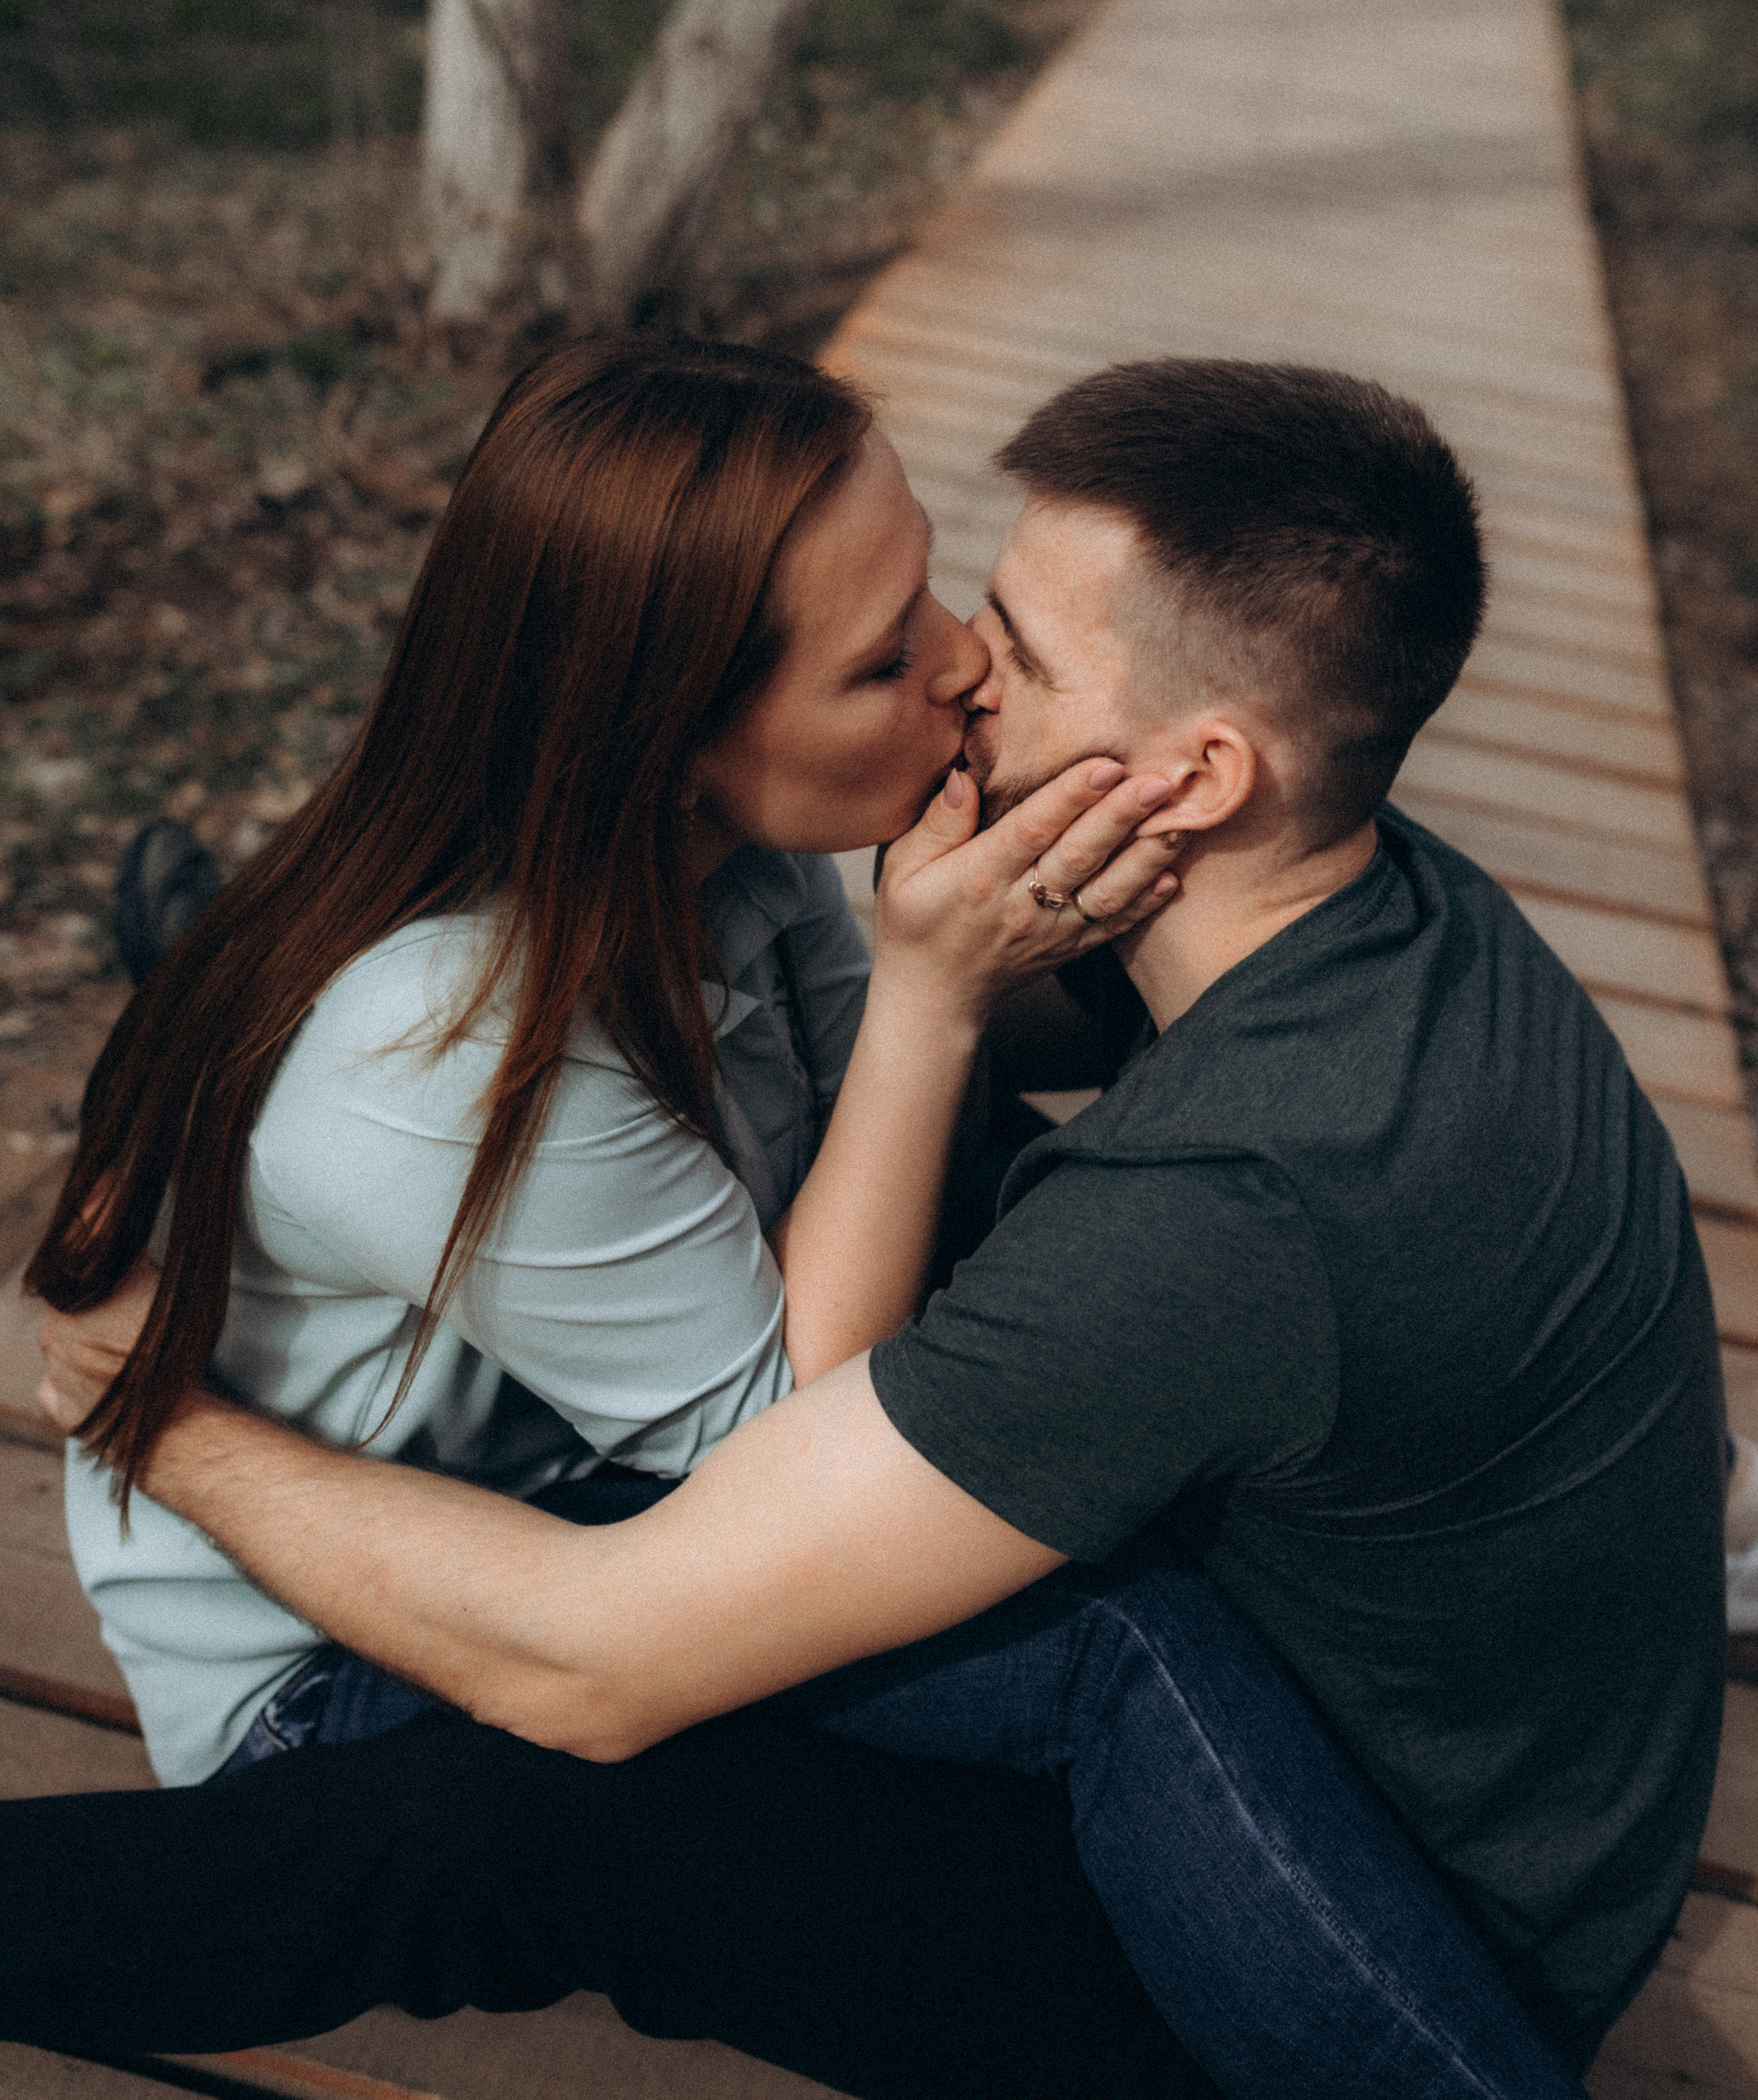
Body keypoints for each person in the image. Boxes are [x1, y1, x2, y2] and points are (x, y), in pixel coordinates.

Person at [19, 359, 1724, 2095]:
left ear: (1202, 774)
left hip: (1392, 1921)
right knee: (539, 1805)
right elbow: (653, 1583)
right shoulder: (1399, 917)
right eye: (907, 630)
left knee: (1011, 1598)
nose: (967, 664)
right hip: (426, 1592)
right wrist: (170, 1419)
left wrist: (178, 1430)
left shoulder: (1215, 1195)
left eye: (1012, 644)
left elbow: (702, 1527)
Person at [29, 334, 1181, 1789]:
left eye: (930, 587)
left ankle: (196, 978)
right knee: (1082, 1614)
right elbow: (779, 1453)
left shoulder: (725, 854)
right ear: (665, 740)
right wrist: (931, 996)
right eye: (883, 659)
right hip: (342, 1652)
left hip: (578, 1469)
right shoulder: (453, 1051)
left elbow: (859, 1106)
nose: (964, 661)